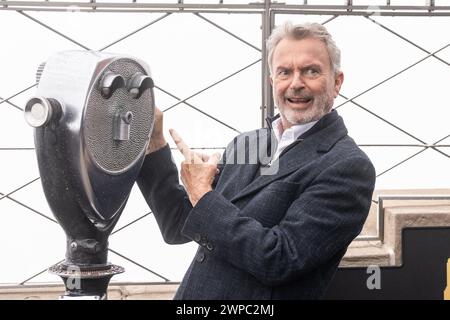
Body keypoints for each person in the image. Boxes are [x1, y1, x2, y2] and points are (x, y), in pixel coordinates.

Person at [137, 21, 376, 299]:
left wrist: (202, 193)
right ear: (273, 82)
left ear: (336, 82)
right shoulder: (247, 144)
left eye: (311, 71)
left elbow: (279, 259)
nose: (296, 83)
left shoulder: (347, 166)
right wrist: (155, 144)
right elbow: (177, 226)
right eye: (285, 72)